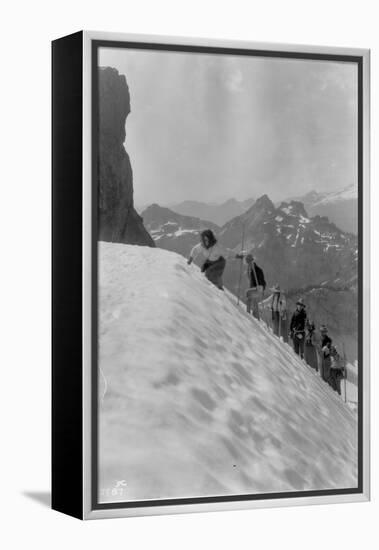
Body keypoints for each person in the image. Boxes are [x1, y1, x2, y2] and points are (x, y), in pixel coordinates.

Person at [244, 253, 266, 320]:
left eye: (248, 262)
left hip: (259, 288)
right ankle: (256, 316)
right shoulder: (251, 270)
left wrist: (259, 286)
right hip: (257, 288)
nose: (248, 264)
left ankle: (248, 313)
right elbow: (250, 280)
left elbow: (260, 280)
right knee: (254, 301)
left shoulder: (256, 270)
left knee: (248, 293)